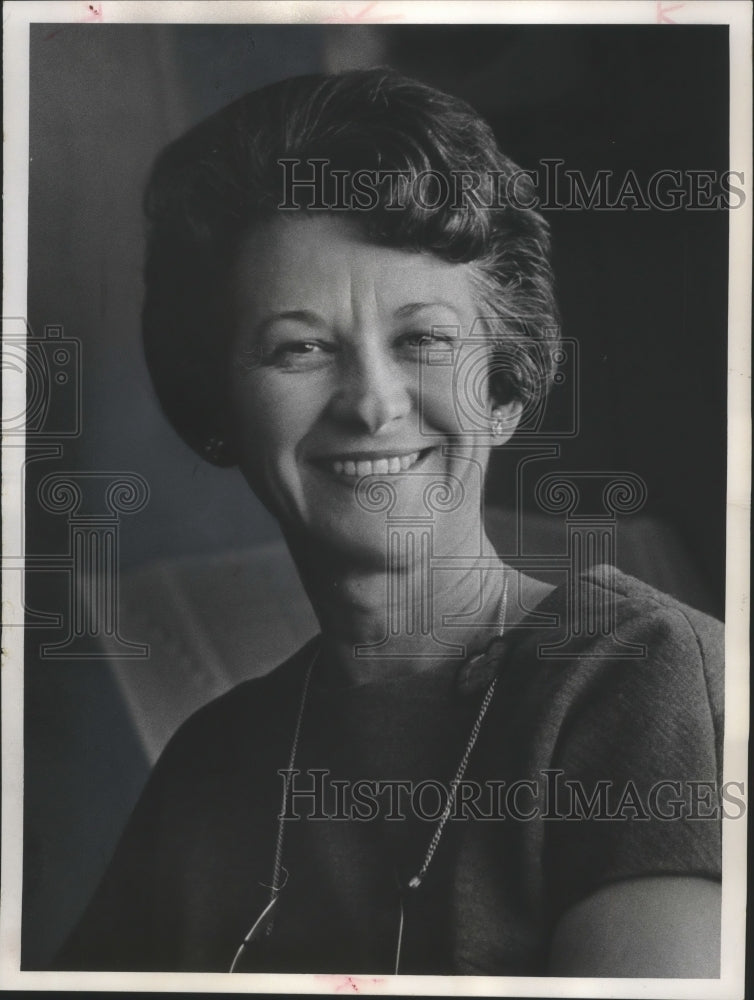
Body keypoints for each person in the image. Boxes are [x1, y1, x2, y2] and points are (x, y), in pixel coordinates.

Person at [55, 68, 723, 977]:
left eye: (425, 340)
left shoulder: (632, 675)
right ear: (217, 408)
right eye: (300, 347)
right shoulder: (212, 765)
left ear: (507, 387)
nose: (371, 403)